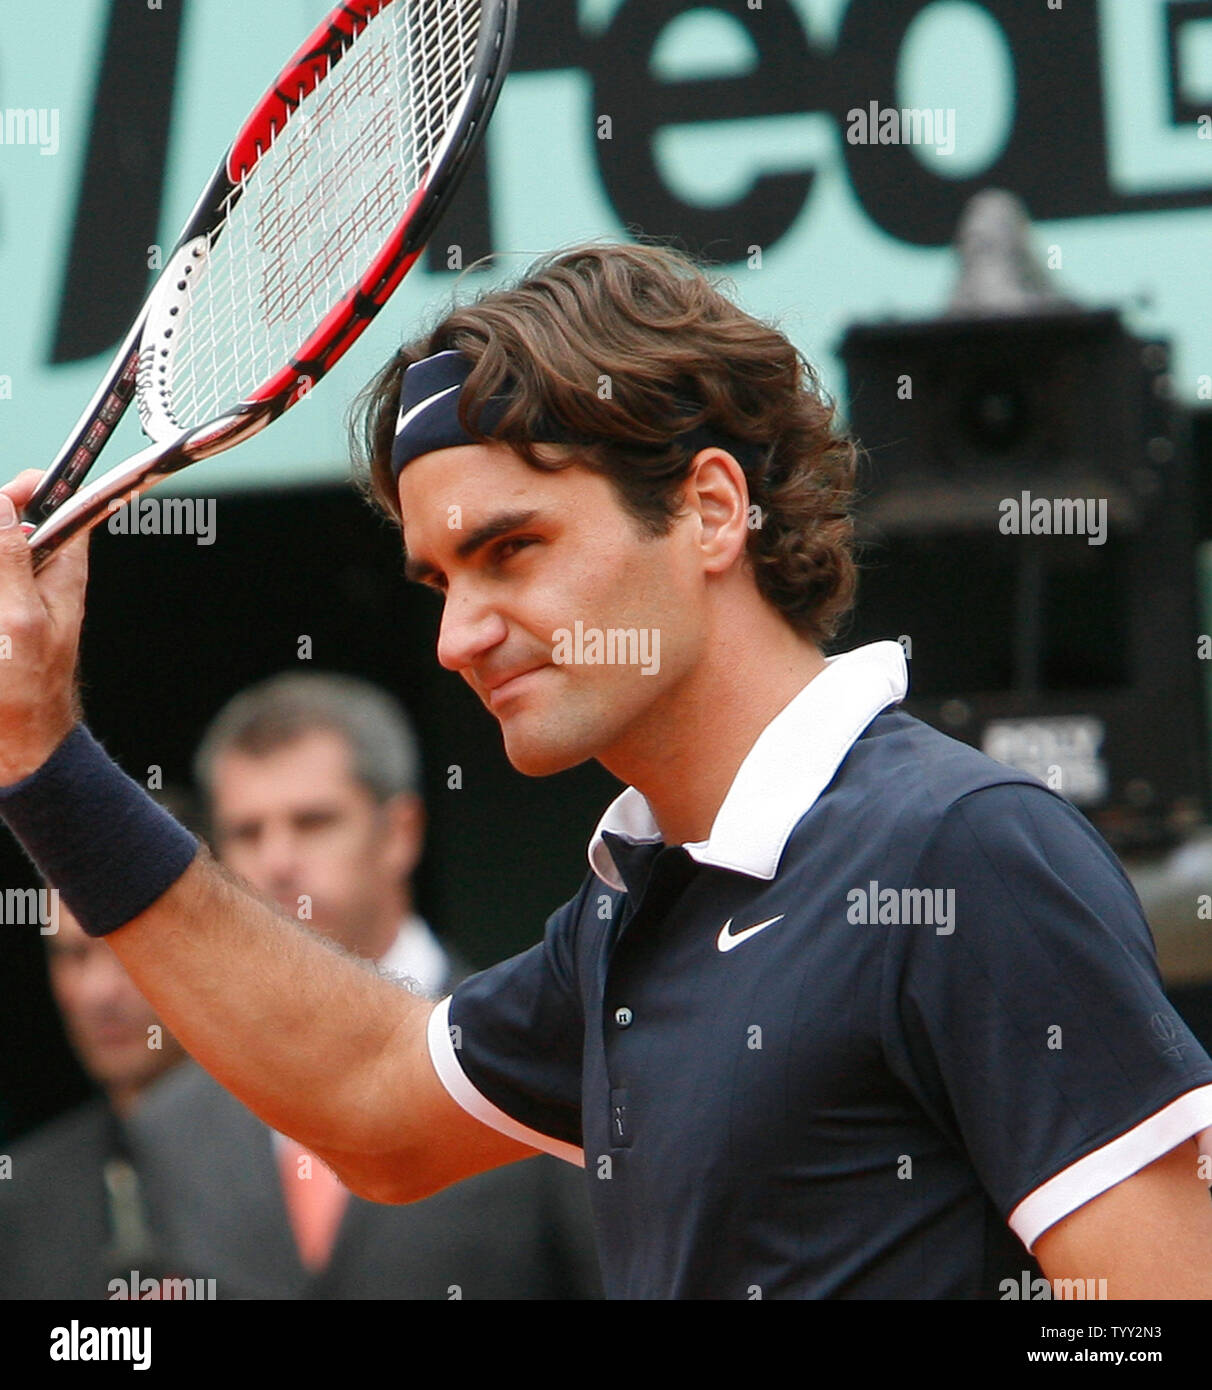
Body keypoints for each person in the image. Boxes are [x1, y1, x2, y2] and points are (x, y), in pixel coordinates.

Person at [1, 242, 1210, 1300]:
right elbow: (368, 1097)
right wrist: (41, 752)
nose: (457, 634)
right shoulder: (632, 915)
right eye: (439, 580)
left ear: (711, 510)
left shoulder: (964, 850)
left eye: (511, 549)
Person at [129, 672, 600, 1299]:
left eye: (313, 822)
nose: (276, 862)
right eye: (246, 833)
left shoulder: (534, 1054)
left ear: (400, 833)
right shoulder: (172, 1122)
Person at [0, 841, 190, 1299]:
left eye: (127, 950)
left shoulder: (293, 1162)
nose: (98, 994)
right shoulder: (22, 1199)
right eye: (74, 956)